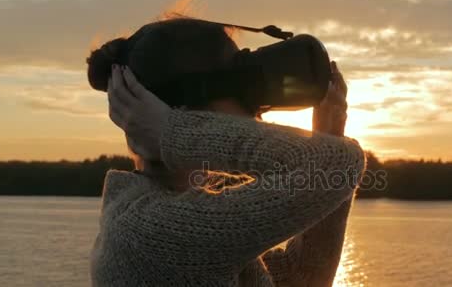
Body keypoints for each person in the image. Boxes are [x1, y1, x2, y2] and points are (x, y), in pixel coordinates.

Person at [87, 17, 366, 286]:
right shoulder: (150, 232)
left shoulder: (175, 218)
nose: (255, 102)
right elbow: (338, 163)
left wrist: (327, 137)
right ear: (187, 109)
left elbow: (301, 281)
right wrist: (172, 131)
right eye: (240, 82)